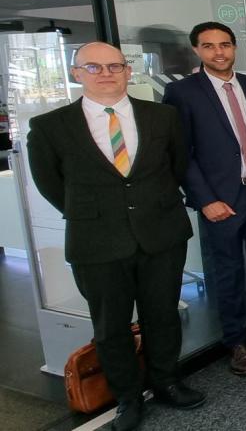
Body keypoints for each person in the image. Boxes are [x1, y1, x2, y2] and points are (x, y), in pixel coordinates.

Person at [27, 42, 205, 431]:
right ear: (76, 73)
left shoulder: (163, 116)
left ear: (128, 71)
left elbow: (175, 167)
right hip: (97, 240)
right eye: (94, 67)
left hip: (161, 234)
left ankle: (166, 381)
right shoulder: (50, 126)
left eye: (114, 66)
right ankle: (127, 397)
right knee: (111, 326)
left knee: (163, 315)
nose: (105, 73)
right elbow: (50, 183)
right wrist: (94, 213)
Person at [163, 22, 246, 377]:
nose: (219, 52)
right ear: (197, 50)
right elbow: (181, 154)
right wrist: (204, 199)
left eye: (224, 45)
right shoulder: (182, 93)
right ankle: (235, 340)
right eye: (209, 46)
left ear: (234, 47)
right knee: (228, 270)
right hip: (220, 197)